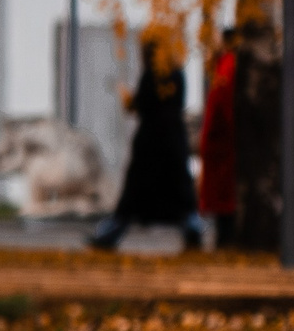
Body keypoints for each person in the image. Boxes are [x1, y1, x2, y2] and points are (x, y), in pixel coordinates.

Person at [88, 30, 209, 252]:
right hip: (173, 141)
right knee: (180, 193)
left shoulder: (151, 74)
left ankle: (110, 234)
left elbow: (142, 105)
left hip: (151, 144)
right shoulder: (176, 73)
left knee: (133, 195)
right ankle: (193, 232)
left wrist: (129, 100)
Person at [199, 29, 239, 246]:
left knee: (224, 199)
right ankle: (225, 237)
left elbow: (221, 108)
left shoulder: (226, 68)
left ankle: (225, 240)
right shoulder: (228, 67)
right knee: (225, 199)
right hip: (223, 144)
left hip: (222, 145)